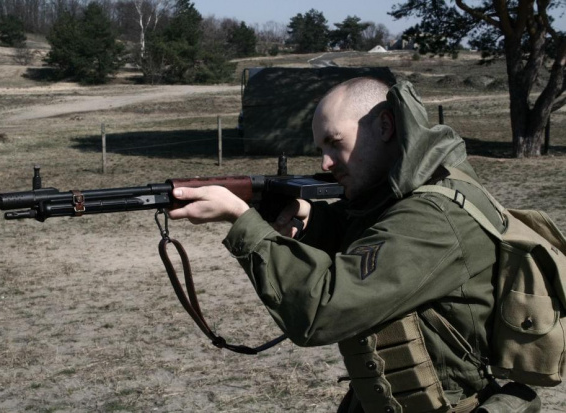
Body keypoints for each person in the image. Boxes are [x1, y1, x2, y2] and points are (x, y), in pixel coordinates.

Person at [167, 78, 538, 412]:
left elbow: (323, 310)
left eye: (334, 143)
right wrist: (313, 224)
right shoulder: (402, 198)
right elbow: (371, 238)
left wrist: (241, 219)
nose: (325, 162)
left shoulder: (434, 216)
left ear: (385, 127)